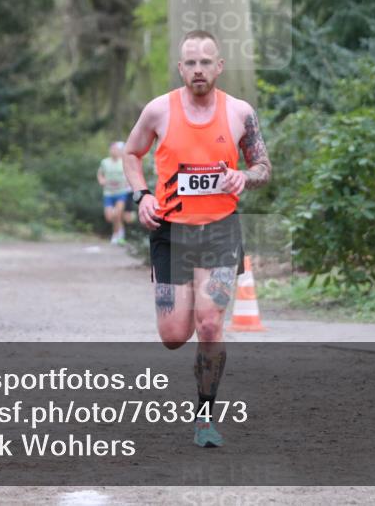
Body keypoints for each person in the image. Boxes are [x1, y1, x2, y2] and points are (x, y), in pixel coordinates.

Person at [123, 30, 271, 448]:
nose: (199, 69)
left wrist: (245, 175)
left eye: (206, 61)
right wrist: (142, 195)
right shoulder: (158, 111)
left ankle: (205, 417)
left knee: (209, 324)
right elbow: (131, 154)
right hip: (171, 233)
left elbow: (263, 165)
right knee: (173, 335)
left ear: (219, 66)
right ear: (181, 67)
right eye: (191, 62)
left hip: (221, 231)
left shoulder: (241, 112)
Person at [97, 141, 135, 244]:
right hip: (108, 193)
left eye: (116, 149)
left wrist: (129, 183)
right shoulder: (105, 162)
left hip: (121, 192)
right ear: (110, 150)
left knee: (117, 214)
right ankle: (120, 231)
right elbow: (100, 173)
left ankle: (117, 235)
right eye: (112, 149)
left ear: (119, 151)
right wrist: (101, 180)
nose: (114, 151)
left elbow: (130, 173)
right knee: (110, 217)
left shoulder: (123, 161)